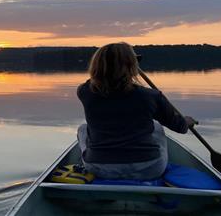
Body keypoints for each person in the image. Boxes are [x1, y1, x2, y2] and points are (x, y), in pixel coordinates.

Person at [77, 42, 197, 180]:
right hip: (149, 168)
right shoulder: (151, 96)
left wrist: (107, 69)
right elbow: (180, 127)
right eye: (136, 61)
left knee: (83, 129)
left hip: (98, 169)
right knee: (157, 128)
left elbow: (93, 82)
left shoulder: (84, 92)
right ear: (132, 67)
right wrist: (186, 121)